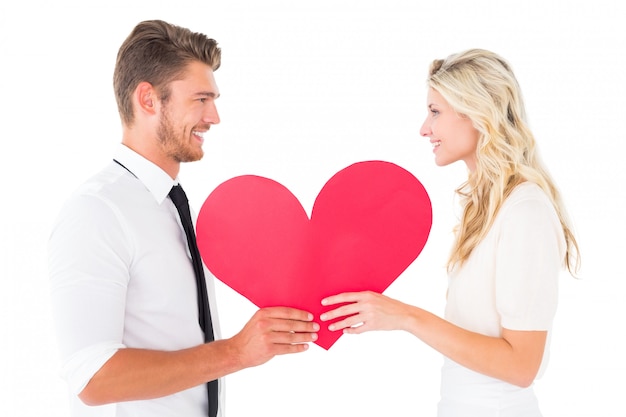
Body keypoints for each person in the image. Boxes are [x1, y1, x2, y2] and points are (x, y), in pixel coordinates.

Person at [48, 20, 318, 417]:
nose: (215, 117)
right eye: (201, 99)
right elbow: (92, 377)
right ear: (148, 99)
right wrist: (236, 352)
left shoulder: (172, 207)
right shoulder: (97, 211)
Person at [320, 49, 580, 416]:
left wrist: (406, 317)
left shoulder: (525, 212)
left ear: (477, 112)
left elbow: (522, 366)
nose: (424, 128)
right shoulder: (487, 207)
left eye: (435, 112)